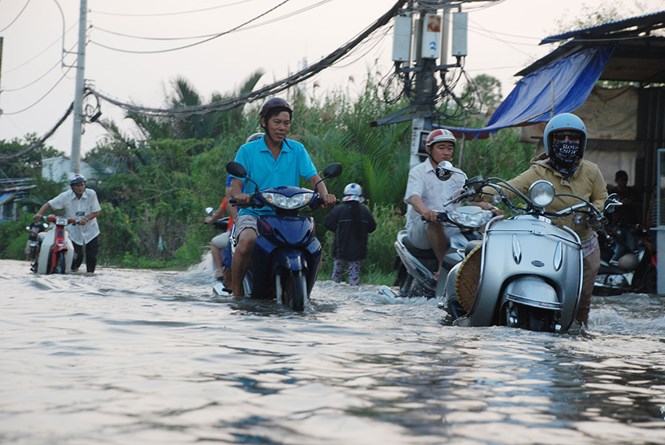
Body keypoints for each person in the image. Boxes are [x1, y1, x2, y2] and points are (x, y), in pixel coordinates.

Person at [495, 112, 607, 330]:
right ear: (550, 141)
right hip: (548, 243)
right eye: (561, 138)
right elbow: (510, 187)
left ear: (581, 142)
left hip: (583, 245)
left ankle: (578, 336)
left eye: (573, 138)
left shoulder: (591, 171)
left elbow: (601, 197)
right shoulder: (538, 171)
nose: (567, 143)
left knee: (582, 302)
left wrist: (596, 210)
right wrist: (482, 191)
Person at [228, 97, 336, 297]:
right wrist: (240, 196)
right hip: (255, 212)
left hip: (289, 214)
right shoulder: (247, 150)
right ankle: (236, 292)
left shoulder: (297, 149)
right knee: (247, 240)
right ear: (264, 122)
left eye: (286, 123)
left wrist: (325, 195)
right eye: (277, 122)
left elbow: (314, 177)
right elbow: (235, 185)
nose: (282, 127)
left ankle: (306, 293)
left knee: (314, 247)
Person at [403, 128, 474, 278]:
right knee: (433, 223)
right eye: (441, 148)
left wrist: (489, 206)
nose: (446, 152)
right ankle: (443, 267)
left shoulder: (458, 175)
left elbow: (469, 197)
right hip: (422, 228)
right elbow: (414, 197)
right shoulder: (418, 172)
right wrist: (426, 212)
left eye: (449, 148)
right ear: (429, 149)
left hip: (451, 226)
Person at [34, 174, 102, 273]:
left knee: (92, 256)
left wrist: (86, 219)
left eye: (82, 185)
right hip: (74, 231)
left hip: (91, 230)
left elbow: (96, 211)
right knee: (76, 256)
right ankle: (73, 272)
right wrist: (39, 214)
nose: (80, 188)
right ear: (72, 187)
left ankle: (90, 275)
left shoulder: (91, 194)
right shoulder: (65, 196)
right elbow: (49, 204)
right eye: (77, 185)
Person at [324, 183, 376, 285]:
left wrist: (339, 229)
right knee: (354, 282)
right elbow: (372, 227)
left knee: (335, 281)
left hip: (340, 250)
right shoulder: (365, 211)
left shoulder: (338, 209)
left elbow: (328, 223)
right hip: (358, 252)